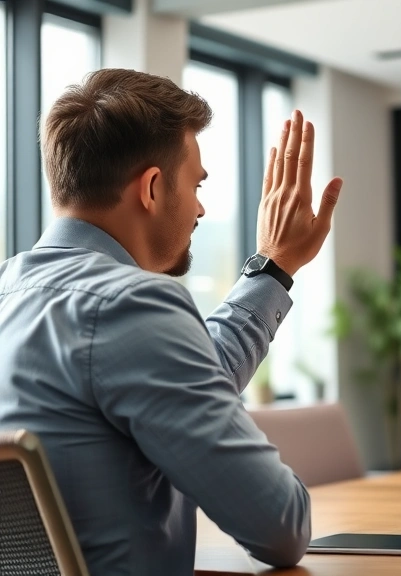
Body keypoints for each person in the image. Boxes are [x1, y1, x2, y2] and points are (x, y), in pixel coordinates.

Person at [0, 69, 343, 575]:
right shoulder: (130, 304)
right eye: (197, 184)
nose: (202, 207)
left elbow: (178, 380)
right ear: (153, 188)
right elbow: (280, 525)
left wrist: (274, 267)